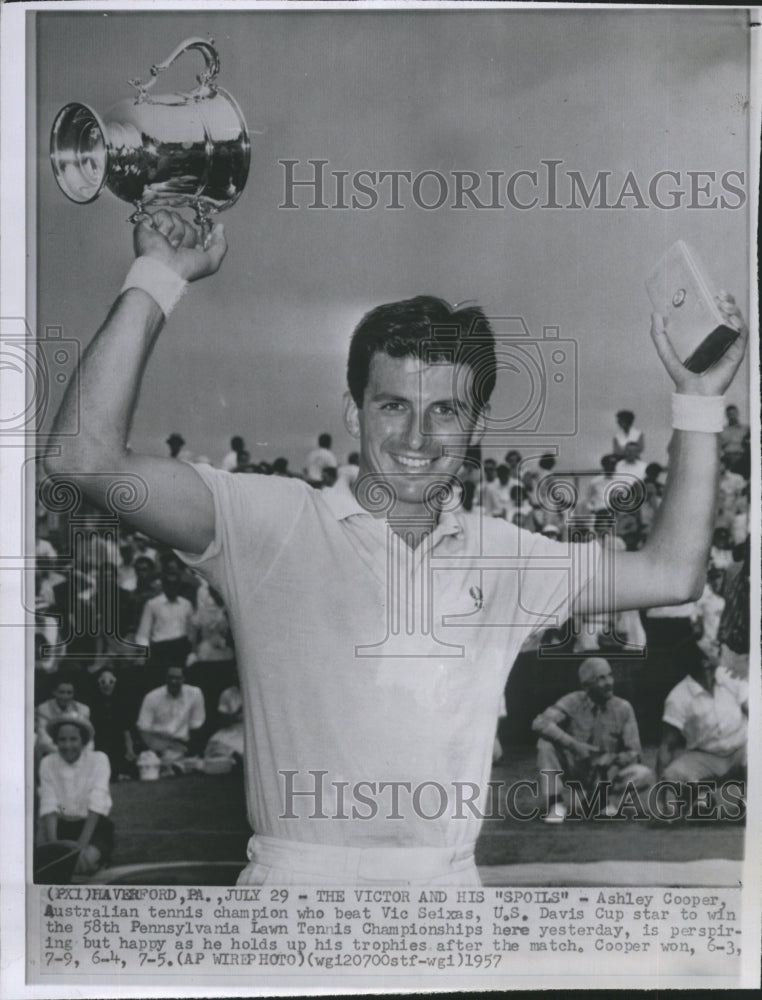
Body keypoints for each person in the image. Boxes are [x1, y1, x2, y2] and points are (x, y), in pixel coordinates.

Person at [46, 208, 747, 885]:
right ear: (353, 410)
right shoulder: (272, 519)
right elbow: (82, 458)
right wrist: (157, 273)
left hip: (444, 895)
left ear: (474, 430)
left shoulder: (504, 556)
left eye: (445, 410)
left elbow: (672, 571)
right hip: (297, 892)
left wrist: (699, 402)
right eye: (393, 406)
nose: (417, 438)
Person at [532, 657, 653, 822]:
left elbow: (635, 752)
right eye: (601, 678)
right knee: (545, 745)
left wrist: (613, 760)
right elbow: (540, 723)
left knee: (644, 774)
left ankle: (598, 800)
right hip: (576, 767)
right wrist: (574, 745)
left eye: (610, 675)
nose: (609, 682)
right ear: (586, 685)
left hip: (607, 773)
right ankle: (556, 803)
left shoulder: (623, 708)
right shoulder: (572, 701)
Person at [655, 653, 746, 820]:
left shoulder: (730, 677)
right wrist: (660, 803)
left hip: (741, 751)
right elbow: (666, 746)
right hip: (704, 759)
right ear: (704, 663)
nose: (720, 653)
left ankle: (750, 801)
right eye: (714, 650)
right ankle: (701, 798)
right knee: (673, 776)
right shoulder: (678, 697)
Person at [37, 716, 114, 876]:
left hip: (93, 827)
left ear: (83, 741)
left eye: (73, 739)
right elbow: (49, 805)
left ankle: (99, 861)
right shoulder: (48, 763)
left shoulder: (99, 759)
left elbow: (97, 803)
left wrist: (79, 849)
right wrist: (54, 847)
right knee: (49, 866)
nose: (67, 745)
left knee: (83, 865)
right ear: (55, 742)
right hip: (61, 827)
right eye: (62, 740)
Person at [136, 664, 206, 768]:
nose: (173, 681)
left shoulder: (195, 693)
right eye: (170, 677)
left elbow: (196, 726)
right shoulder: (151, 697)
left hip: (183, 746)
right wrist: (162, 747)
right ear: (165, 678)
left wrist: (189, 749)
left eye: (177, 678)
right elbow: (143, 731)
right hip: (156, 744)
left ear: (184, 679)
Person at [88, 666, 137, 780]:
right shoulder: (91, 703)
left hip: (118, 745)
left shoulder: (122, 702)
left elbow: (126, 729)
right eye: (103, 682)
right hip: (99, 744)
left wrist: (130, 749)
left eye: (111, 682)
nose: (107, 685)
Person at [35, 678, 90, 760]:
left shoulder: (83, 709)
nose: (65, 696)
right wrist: (67, 752)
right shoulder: (43, 709)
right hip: (51, 752)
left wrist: (80, 754)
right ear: (54, 692)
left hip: (77, 754)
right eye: (61, 692)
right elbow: (44, 740)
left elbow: (88, 738)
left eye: (69, 693)